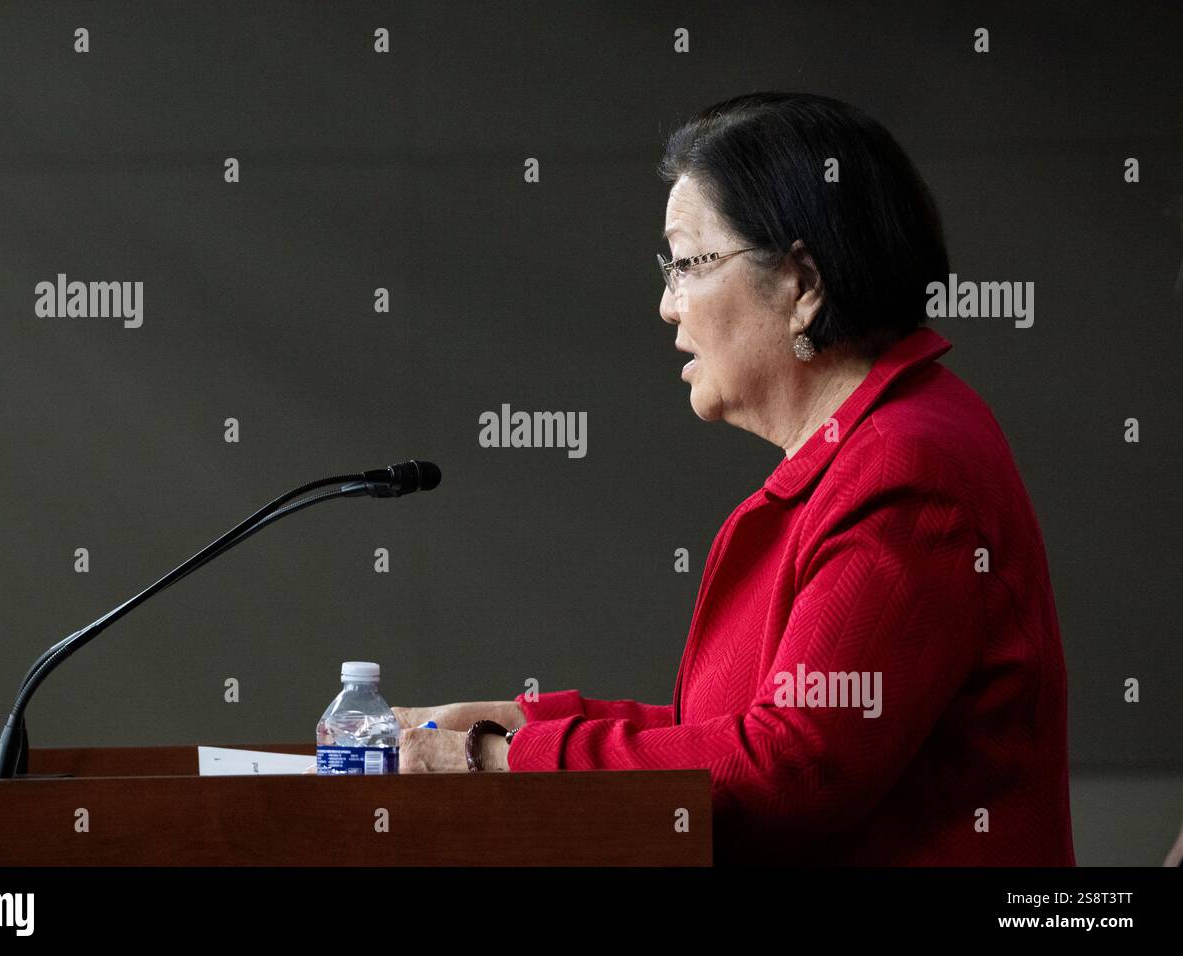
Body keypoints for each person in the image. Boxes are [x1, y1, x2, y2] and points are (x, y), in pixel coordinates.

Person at [395, 92, 1076, 865]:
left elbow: (792, 765)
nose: (666, 305)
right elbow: (725, 731)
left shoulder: (904, 467)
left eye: (687, 263)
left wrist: (499, 760)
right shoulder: (864, 449)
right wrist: (521, 726)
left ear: (802, 282)